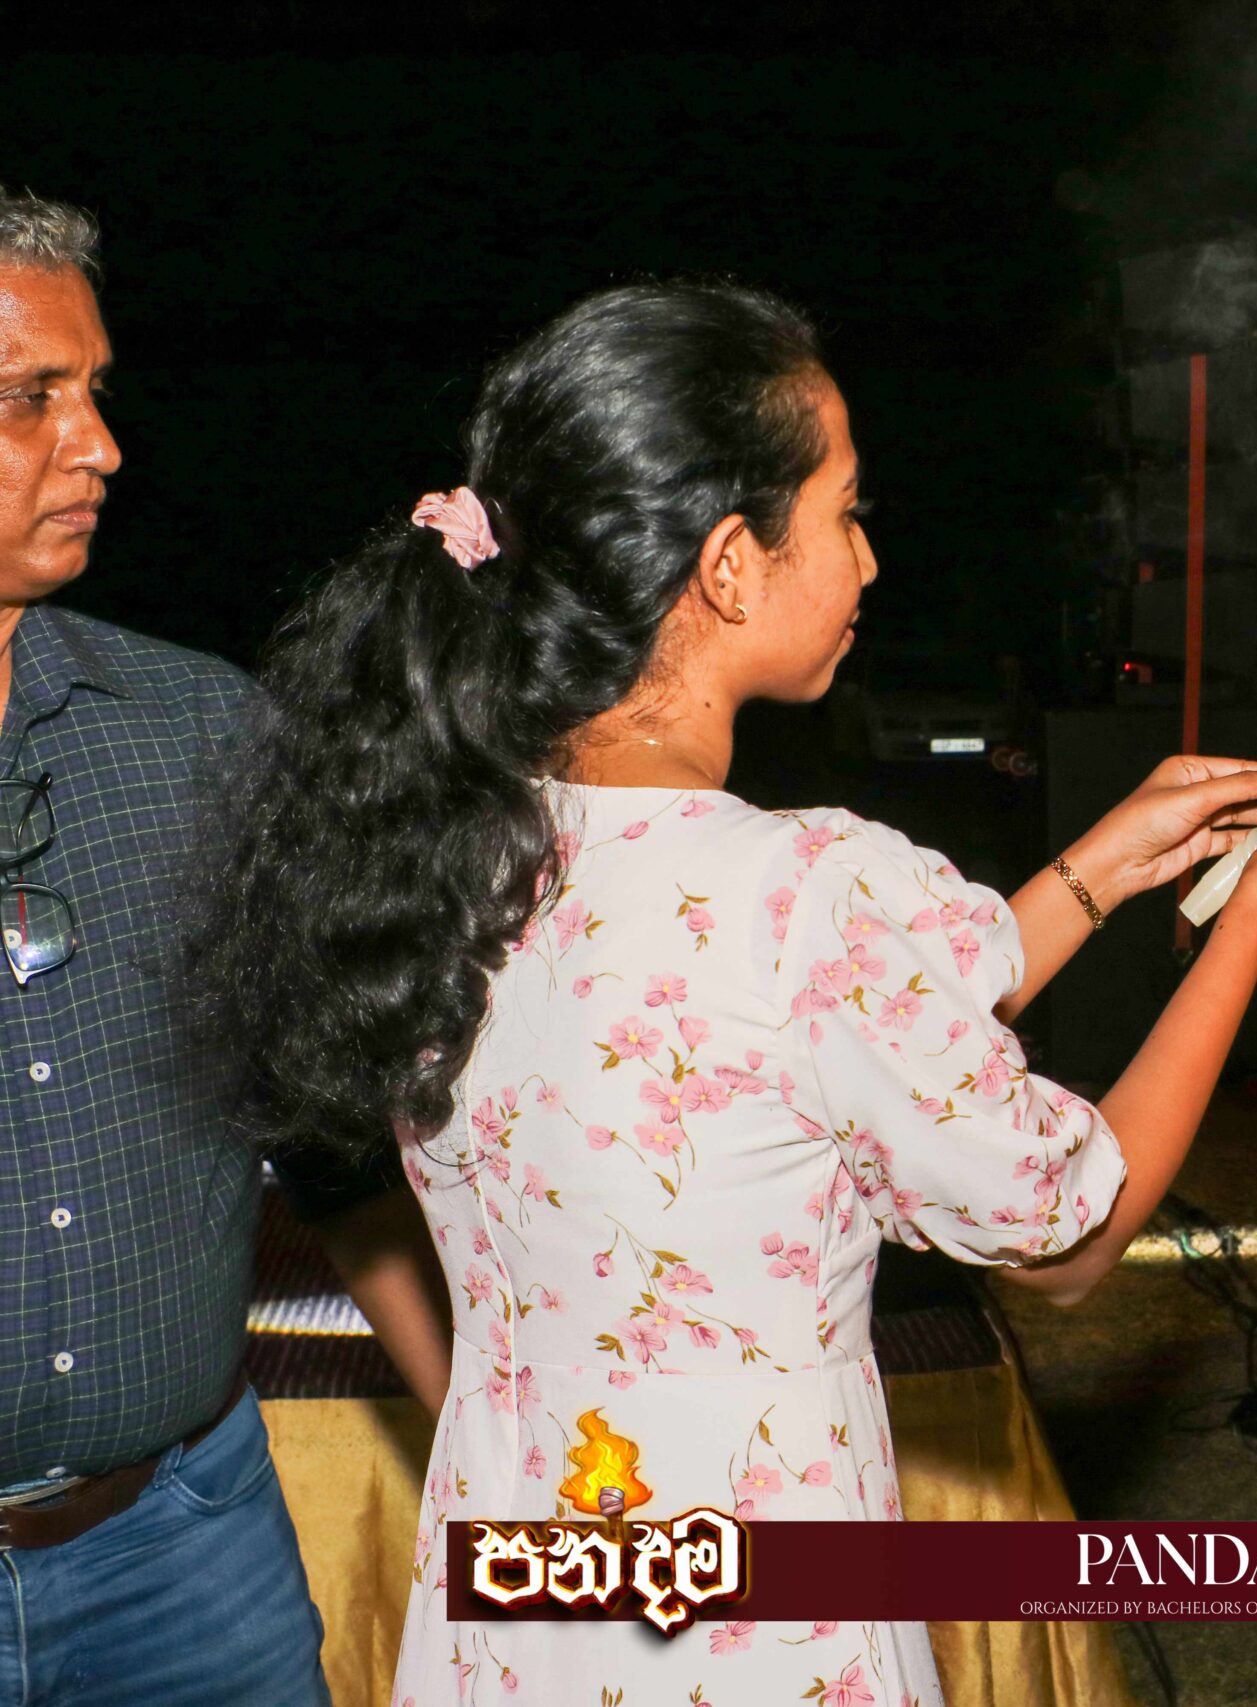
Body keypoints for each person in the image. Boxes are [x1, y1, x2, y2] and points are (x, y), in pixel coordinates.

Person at [197, 279, 1257, 1703]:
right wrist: (1248, 935)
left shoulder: (442, 851)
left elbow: (823, 1029)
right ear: (731, 564)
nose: (869, 559)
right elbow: (1064, 1232)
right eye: (845, 512)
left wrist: (1102, 866)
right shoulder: (811, 892)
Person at [0, 189, 453, 1705]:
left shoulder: (200, 732)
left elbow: (330, 1138)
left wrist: (484, 1443)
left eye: (94, 390)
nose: (100, 444)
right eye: (30, 397)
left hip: (183, 1560)